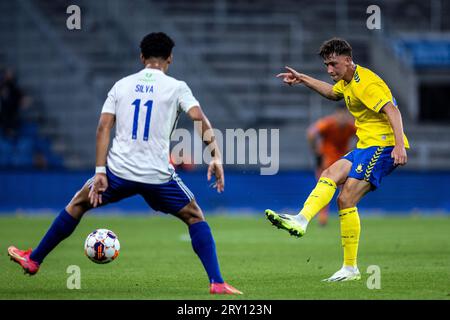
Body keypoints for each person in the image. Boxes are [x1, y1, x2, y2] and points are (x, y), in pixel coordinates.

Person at [8, 32, 242, 295]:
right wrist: (216, 157)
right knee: (194, 216)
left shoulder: (121, 85)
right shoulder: (178, 87)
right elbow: (200, 118)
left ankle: (34, 259)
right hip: (157, 176)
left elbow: (102, 128)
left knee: (77, 204)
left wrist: (99, 172)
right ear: (170, 58)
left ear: (142, 57)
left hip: (118, 173)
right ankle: (217, 282)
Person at [265, 38, 409, 282]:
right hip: (366, 146)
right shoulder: (346, 81)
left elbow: (392, 111)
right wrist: (303, 79)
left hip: (383, 146)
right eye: (326, 65)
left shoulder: (367, 83)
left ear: (347, 60)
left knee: (346, 198)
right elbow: (332, 94)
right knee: (329, 175)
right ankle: (301, 220)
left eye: (333, 64)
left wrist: (398, 146)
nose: (330, 70)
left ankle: (350, 268)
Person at [306, 105, 356, 226]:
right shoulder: (328, 123)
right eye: (340, 114)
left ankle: (347, 217)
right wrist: (317, 151)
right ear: (336, 114)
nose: (342, 118)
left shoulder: (351, 127)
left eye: (345, 115)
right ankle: (323, 217)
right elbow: (311, 133)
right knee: (324, 190)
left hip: (343, 163)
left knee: (346, 191)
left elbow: (363, 136)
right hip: (326, 163)